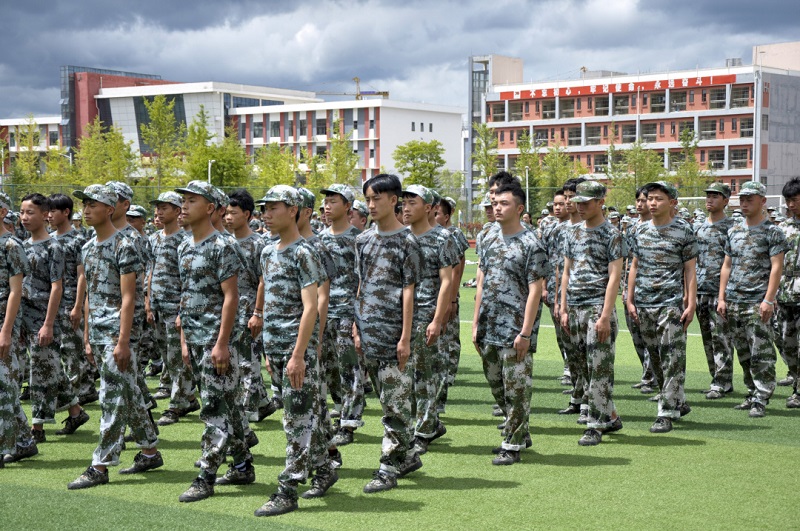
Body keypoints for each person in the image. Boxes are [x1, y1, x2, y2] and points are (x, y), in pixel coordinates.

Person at [67, 184, 162, 490]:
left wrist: (123, 341)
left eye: (93, 204)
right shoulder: (88, 246)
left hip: (119, 332)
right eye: (84, 204)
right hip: (98, 330)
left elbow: (129, 297)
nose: (86, 209)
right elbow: (91, 295)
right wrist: (87, 337)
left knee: (111, 395)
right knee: (128, 389)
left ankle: (100, 464)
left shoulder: (126, 245)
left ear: (110, 209)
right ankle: (149, 451)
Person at [254, 185, 336, 516]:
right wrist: (270, 351)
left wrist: (299, 354)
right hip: (276, 349)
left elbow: (311, 307)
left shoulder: (304, 252)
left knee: (296, 420)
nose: (266, 214)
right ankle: (325, 468)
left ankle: (288, 489)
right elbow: (271, 301)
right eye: (264, 208)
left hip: (295, 351)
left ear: (293, 211)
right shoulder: (267, 251)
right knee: (301, 415)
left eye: (273, 208)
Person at [174, 181, 244, 503]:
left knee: (214, 409)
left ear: (211, 208)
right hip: (196, 337)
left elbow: (231, 297)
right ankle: (242, 464)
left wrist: (222, 343)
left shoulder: (223, 246)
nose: (184, 206)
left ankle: (206, 475)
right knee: (226, 405)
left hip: (216, 340)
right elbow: (186, 296)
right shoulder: (184, 246)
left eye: (192, 200)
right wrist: (185, 341)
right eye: (184, 200)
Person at [353, 174, 423, 493]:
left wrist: (405, 338)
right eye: (367, 199)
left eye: (376, 199)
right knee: (386, 401)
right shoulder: (363, 240)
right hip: (369, 332)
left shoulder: (408, 242)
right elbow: (361, 284)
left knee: (395, 404)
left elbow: (409, 290)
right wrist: (357, 325)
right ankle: (407, 456)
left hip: (396, 334)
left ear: (393, 200)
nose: (370, 205)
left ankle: (388, 468)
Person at [473, 181, 547, 464]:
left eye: (504, 204)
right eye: (495, 203)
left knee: (517, 389)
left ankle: (512, 444)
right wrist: (476, 323)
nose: (497, 208)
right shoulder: (489, 238)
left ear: (519, 208)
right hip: (489, 326)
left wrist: (526, 333)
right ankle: (519, 432)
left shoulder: (531, 244)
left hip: (515, 329)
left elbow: (535, 291)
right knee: (497, 385)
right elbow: (482, 283)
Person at [627, 181, 698, 434]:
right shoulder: (638, 230)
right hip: (644, 302)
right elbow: (634, 265)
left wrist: (691, 302)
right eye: (650, 198)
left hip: (670, 303)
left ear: (672, 203)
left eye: (658, 199)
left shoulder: (683, 230)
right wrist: (629, 298)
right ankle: (677, 400)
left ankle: (666, 411)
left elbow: (690, 269)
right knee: (654, 357)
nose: (652, 203)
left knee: (672, 357)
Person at [559, 181, 624, 446]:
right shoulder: (572, 233)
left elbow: (614, 276)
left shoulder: (612, 234)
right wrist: (563, 307)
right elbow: (566, 271)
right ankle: (611, 416)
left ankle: (595, 424)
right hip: (574, 307)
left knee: (599, 368)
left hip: (597, 307)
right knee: (582, 368)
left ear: (600, 202)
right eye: (578, 202)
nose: (580, 207)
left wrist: (605, 315)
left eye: (586, 203)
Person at [19, 193, 87, 443]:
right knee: (51, 365)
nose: (24, 217)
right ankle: (75, 411)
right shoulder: (23, 245)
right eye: (22, 212)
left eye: (30, 212)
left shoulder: (54, 247)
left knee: (41, 371)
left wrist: (48, 324)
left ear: (45, 215)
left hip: (46, 317)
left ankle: (37, 427)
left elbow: (57, 287)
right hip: (25, 316)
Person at [717, 181, 788, 418]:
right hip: (734, 300)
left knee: (762, 352)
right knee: (743, 351)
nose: (744, 203)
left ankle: (762, 396)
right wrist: (722, 297)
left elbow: (777, 267)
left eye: (750, 199)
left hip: (757, 301)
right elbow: (727, 265)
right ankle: (751, 392)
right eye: (742, 199)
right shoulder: (734, 231)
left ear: (763, 201)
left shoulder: (772, 232)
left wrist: (768, 300)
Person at [401, 185, 457, 455]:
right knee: (406, 376)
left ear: (428, 208)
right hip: (403, 316)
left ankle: (423, 431)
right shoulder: (401, 237)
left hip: (426, 313)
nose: (406, 207)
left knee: (425, 375)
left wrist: (437, 319)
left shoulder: (442, 238)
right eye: (404, 203)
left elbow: (447, 281)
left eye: (412, 203)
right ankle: (428, 423)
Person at [147, 192, 198, 427]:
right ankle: (189, 397)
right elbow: (151, 270)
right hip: (157, 306)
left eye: (164, 207)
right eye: (157, 207)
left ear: (177, 211)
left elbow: (188, 280)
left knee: (178, 358)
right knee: (167, 357)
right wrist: (148, 301)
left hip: (175, 308)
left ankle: (177, 405)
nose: (159, 211)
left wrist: (181, 312)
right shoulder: (154, 238)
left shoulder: (185, 241)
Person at [320, 184, 365, 446]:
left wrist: (358, 317)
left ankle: (349, 423)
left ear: (348, 206)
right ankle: (340, 408)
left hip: (348, 313)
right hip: (324, 313)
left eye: (333, 201)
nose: (327, 206)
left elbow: (363, 280)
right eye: (326, 201)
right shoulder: (319, 239)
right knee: (329, 369)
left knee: (350, 369)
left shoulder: (358, 239)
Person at [224, 189, 273, 425]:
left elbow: (263, 280)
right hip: (230, 311)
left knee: (248, 360)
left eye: (233, 213)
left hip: (250, 309)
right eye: (226, 213)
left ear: (247, 215)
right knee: (237, 360)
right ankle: (262, 402)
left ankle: (249, 409)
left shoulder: (258, 244)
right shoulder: (224, 242)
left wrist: (258, 312)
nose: (228, 217)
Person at [0, 191, 37, 467]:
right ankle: (24, 441)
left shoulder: (11, 245)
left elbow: (16, 291)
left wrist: (6, 330)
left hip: (4, 321)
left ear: (2, 212)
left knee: (4, 384)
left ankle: (4, 446)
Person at [49, 194, 94, 405]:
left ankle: (83, 390)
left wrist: (78, 306)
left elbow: (82, 275)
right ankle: (71, 390)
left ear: (66, 212)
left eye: (52, 211)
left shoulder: (78, 240)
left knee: (73, 348)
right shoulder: (49, 239)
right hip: (53, 303)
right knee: (58, 349)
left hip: (70, 301)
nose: (49, 216)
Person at [695, 183, 735, 399]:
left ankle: (723, 381)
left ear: (726, 201)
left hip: (720, 292)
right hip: (700, 290)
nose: (710, 199)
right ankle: (716, 379)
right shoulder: (699, 227)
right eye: (708, 195)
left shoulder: (732, 227)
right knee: (707, 338)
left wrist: (724, 295)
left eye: (715, 196)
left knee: (721, 338)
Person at [433, 196, 469, 412]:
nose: (434, 216)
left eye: (438, 213)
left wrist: (453, 298)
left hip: (446, 296)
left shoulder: (453, 235)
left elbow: (458, 268)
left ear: (446, 217)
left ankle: (449, 373)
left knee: (449, 336)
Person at [624, 187, 657, 393]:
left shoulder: (658, 226)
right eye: (638, 200)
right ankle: (648, 373)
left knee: (651, 336)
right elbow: (629, 262)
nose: (639, 204)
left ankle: (651, 377)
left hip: (652, 289)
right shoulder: (632, 228)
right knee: (636, 334)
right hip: (633, 287)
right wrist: (626, 290)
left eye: (643, 200)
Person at [542, 189, 571, 388]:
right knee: (559, 331)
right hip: (553, 286)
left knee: (569, 329)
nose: (558, 207)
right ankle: (567, 365)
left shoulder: (573, 228)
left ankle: (573, 369)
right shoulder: (550, 229)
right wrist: (544, 287)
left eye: (562, 203)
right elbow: (544, 259)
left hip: (569, 287)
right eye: (556, 204)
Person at [778, 177, 800, 408]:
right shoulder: (783, 228)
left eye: (794, 200)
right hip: (785, 295)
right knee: (787, 343)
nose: (790, 205)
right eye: (788, 201)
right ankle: (795, 378)